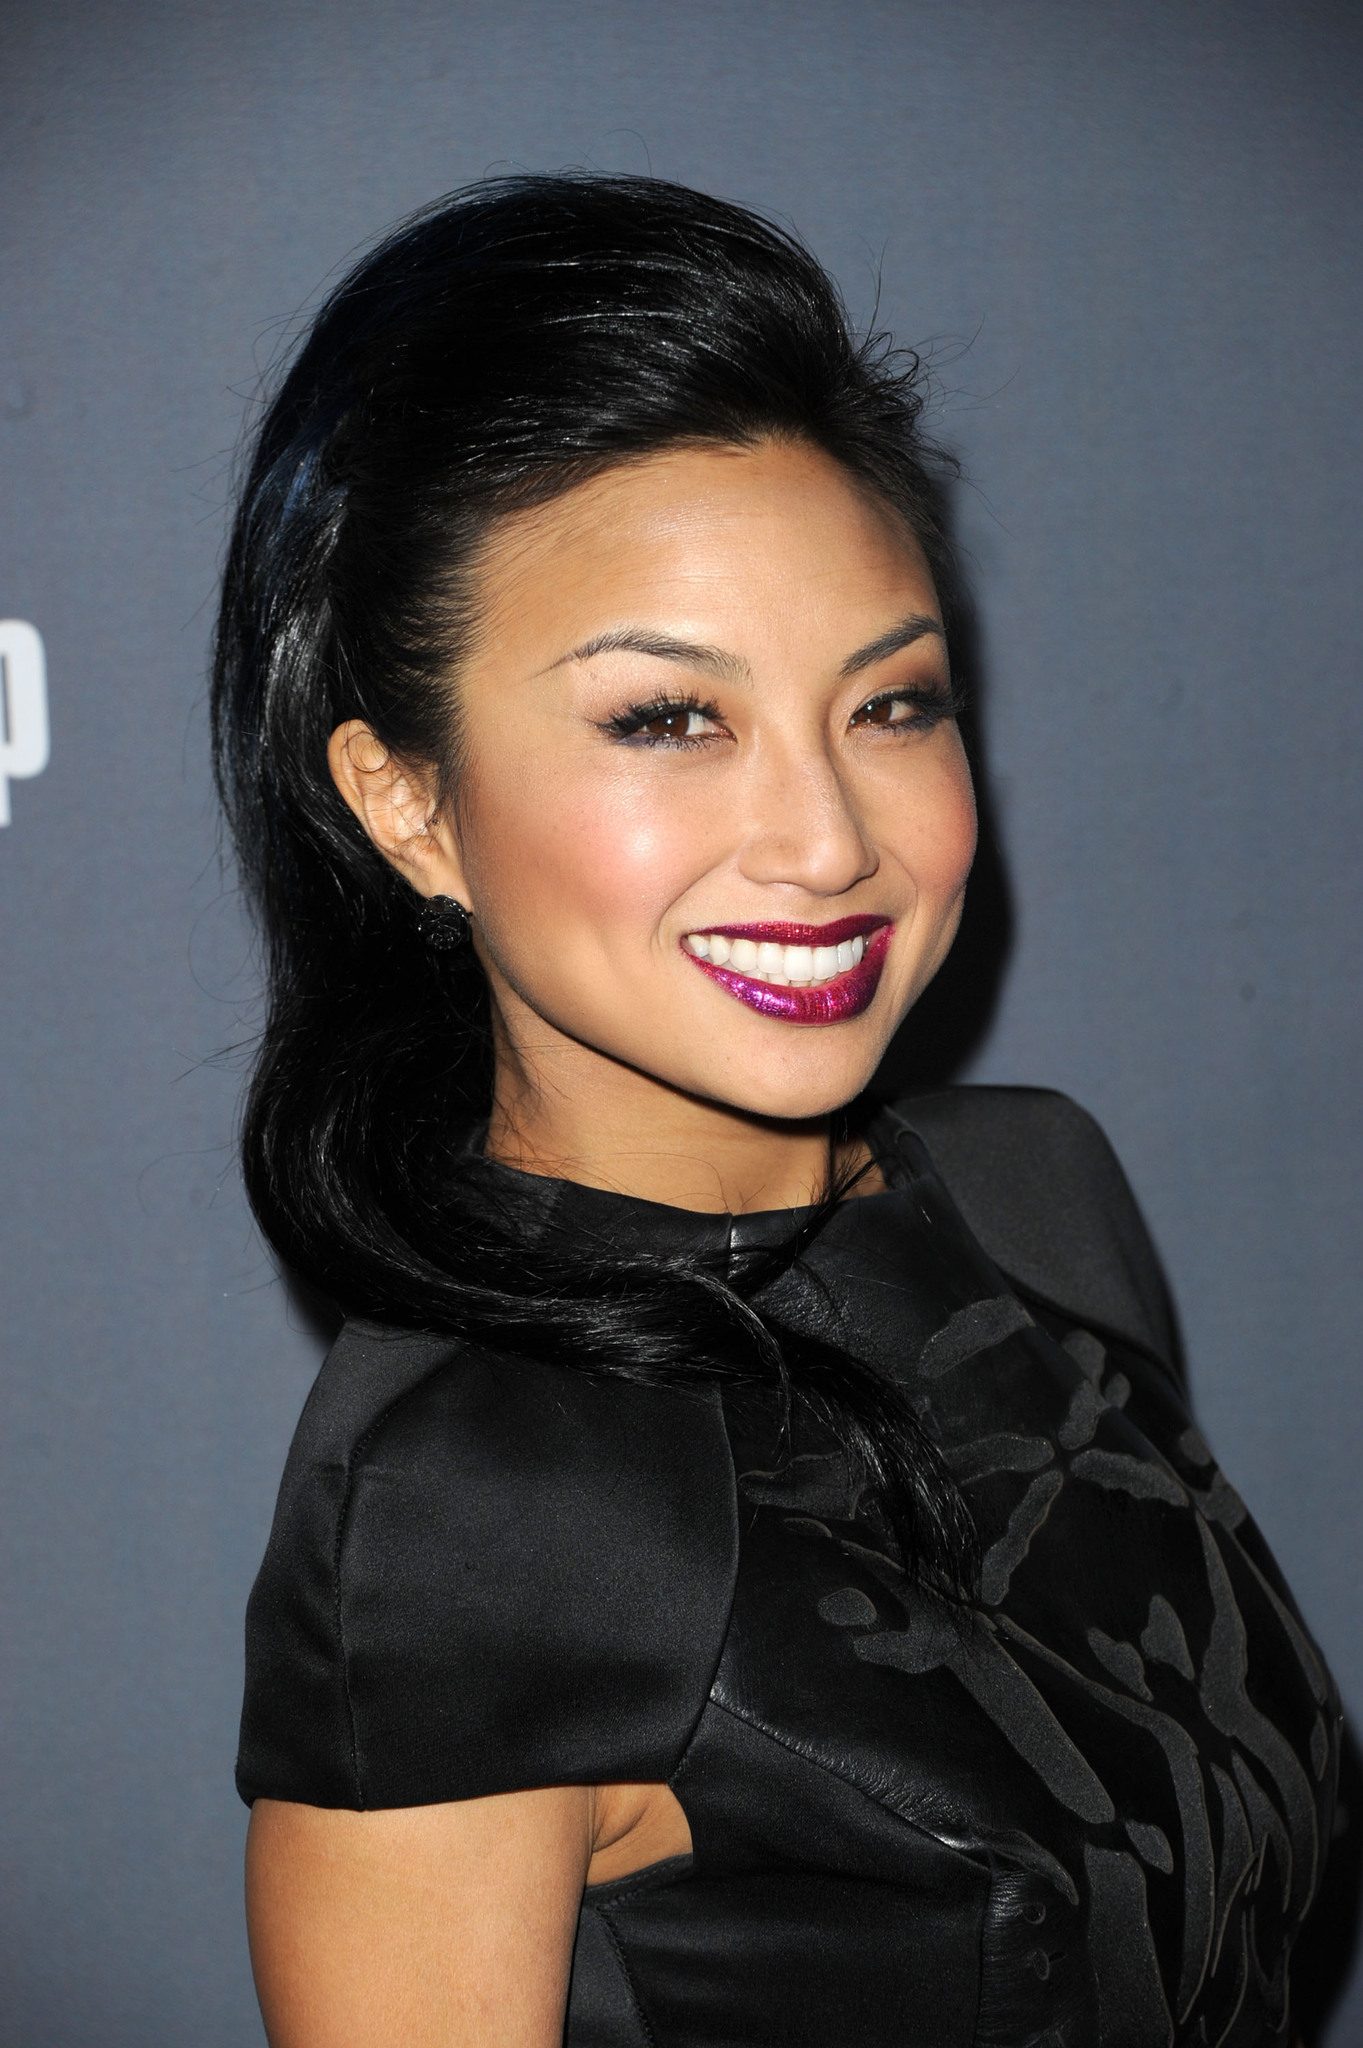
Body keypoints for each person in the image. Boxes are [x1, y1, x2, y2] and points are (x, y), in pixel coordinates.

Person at [216, 175, 1340, 2048]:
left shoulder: (1033, 1192)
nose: (827, 842)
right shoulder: (466, 1514)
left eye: (892, 707)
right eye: (669, 718)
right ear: (408, 806)